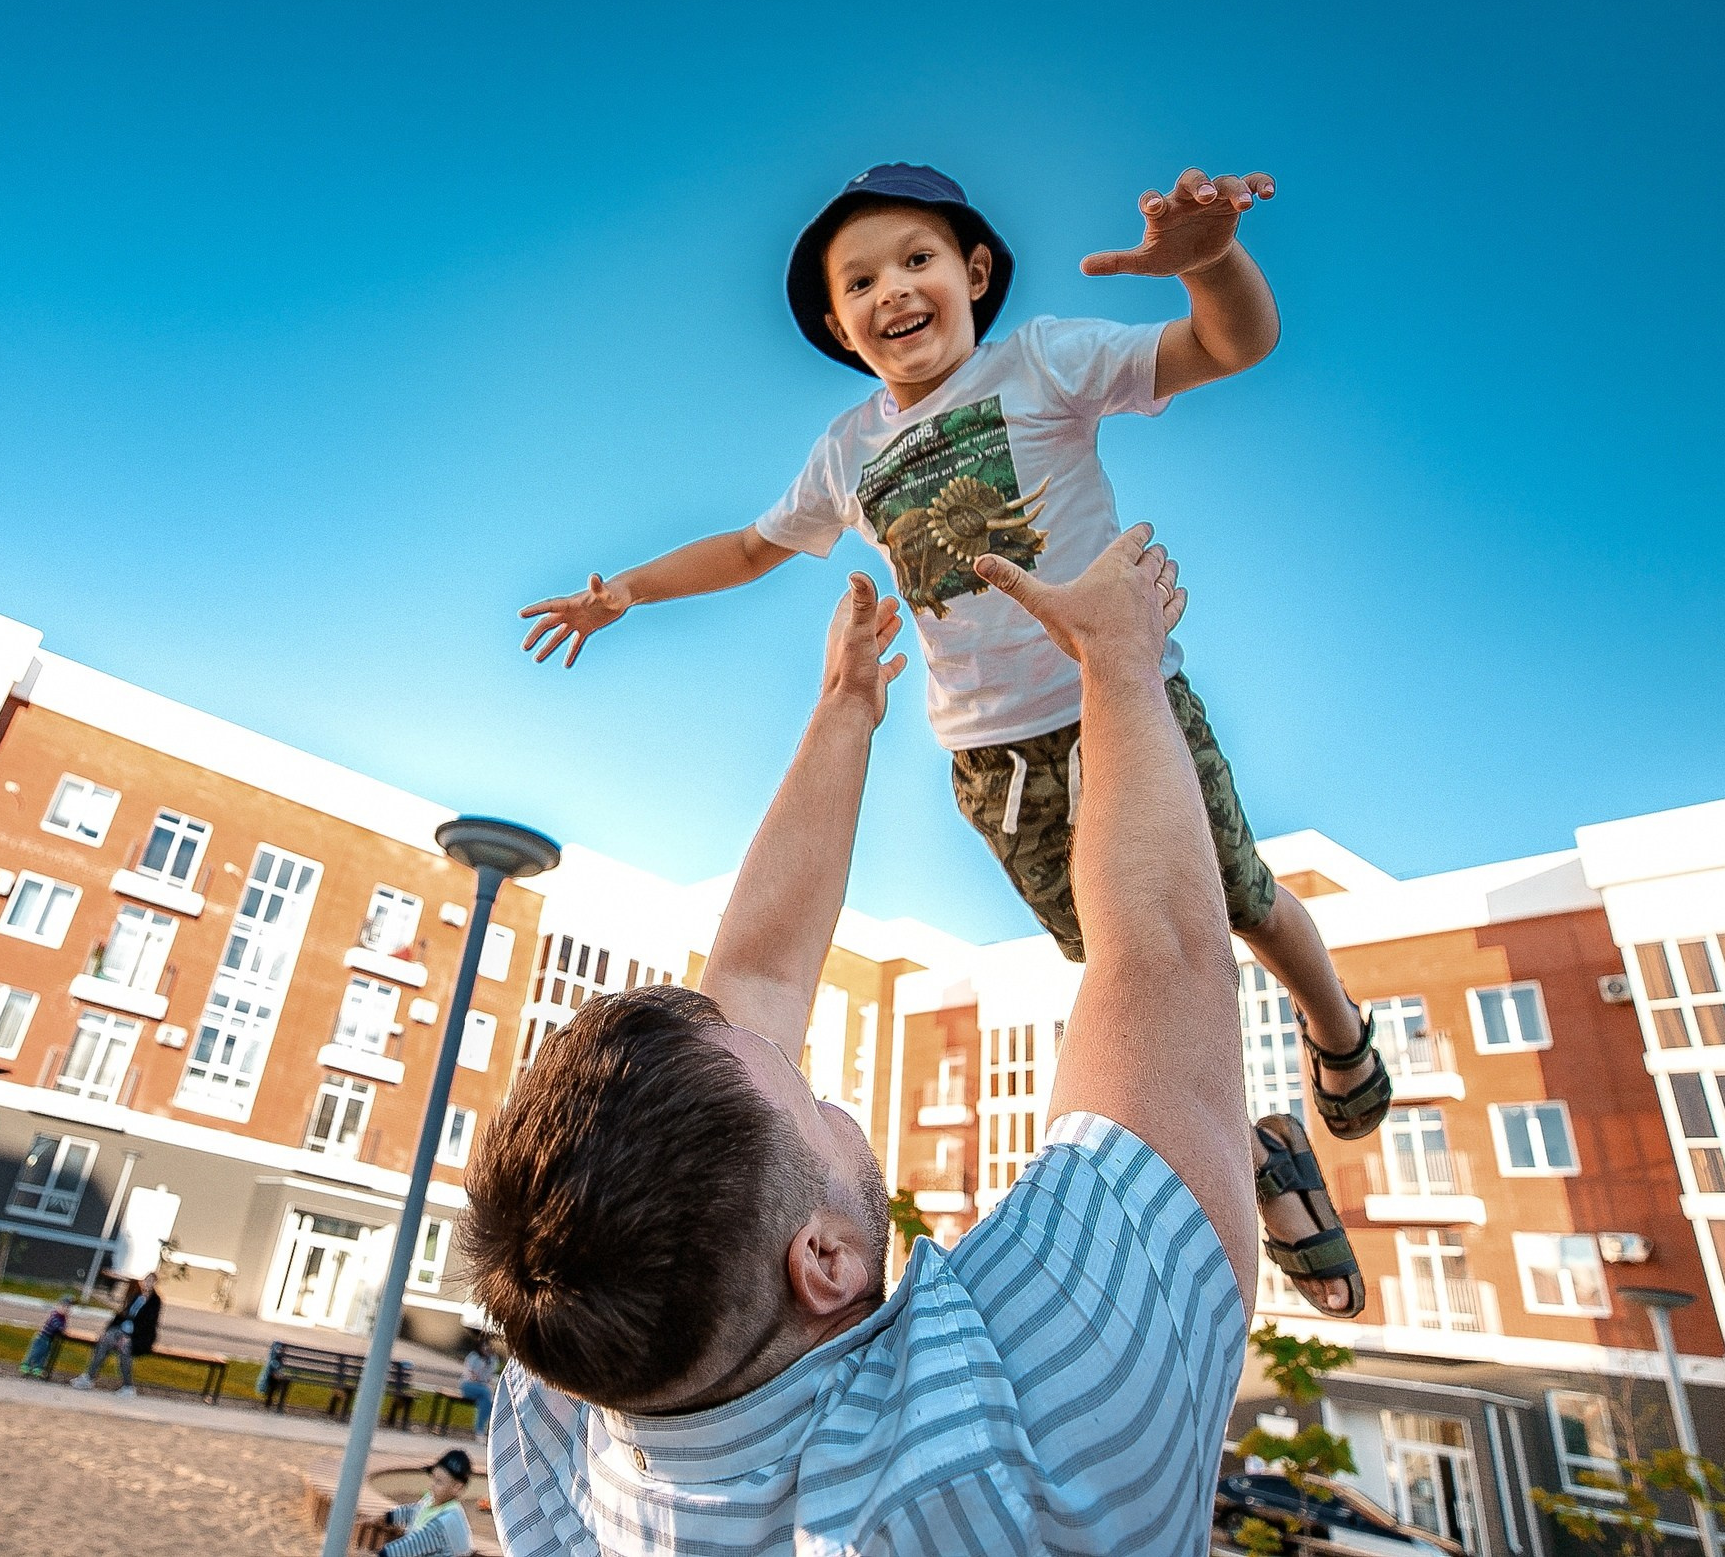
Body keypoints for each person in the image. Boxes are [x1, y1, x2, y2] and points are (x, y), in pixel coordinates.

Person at [517, 164, 1389, 1306]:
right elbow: (749, 549)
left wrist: (1211, 265)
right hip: (995, 763)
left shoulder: (1044, 363)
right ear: (837, 323)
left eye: (916, 261)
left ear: (972, 273)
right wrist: (623, 590)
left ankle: (1337, 1033)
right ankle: (1262, 1145)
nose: (893, 291)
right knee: (1129, 973)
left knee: (1231, 901)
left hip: (1122, 700)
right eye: (860, 280)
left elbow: (1228, 349)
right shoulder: (846, 452)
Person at [468, 542, 1362, 1553]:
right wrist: (1117, 658)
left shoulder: (573, 1400)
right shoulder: (1022, 1434)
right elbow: (1163, 955)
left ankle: (1251, 1161)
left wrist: (845, 707)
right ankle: (1253, 1159)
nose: (781, 1044)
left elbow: (753, 986)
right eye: (801, 1093)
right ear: (823, 1258)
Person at [358, 1449, 476, 1555]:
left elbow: (409, 1547)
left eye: (439, 1482)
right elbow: (414, 1511)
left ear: (457, 1487)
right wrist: (388, 1517)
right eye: (433, 1479)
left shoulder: (449, 1520)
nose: (433, 1486)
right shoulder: (432, 1501)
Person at [73, 1271, 158, 1397]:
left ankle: (128, 1386)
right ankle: (89, 1378)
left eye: (150, 1281)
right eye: (146, 1280)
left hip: (138, 1337)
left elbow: (147, 1323)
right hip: (122, 1331)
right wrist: (107, 1330)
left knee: (125, 1348)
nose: (147, 1283)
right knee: (105, 1341)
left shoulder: (155, 1301)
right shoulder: (137, 1296)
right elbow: (123, 1314)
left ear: (154, 1283)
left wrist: (128, 1337)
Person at [20, 1295, 71, 1380]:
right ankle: (26, 1365)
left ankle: (37, 1368)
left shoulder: (63, 1317)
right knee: (35, 1352)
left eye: (68, 1307)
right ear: (58, 1306)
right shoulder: (55, 1315)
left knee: (44, 1354)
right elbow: (57, 1325)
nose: (66, 1309)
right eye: (64, 1306)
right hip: (42, 1337)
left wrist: (64, 1326)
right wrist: (62, 1329)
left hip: (48, 1339)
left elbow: (63, 1326)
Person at [457, 1335, 497, 1438]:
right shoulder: (473, 1357)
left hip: (482, 1388)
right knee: (486, 1392)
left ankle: (479, 1430)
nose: (486, 1349)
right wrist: (482, 1369)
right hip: (468, 1385)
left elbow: (489, 1377)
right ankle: (483, 1427)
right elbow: (472, 1375)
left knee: (485, 1401)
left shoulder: (492, 1360)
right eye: (484, 1346)